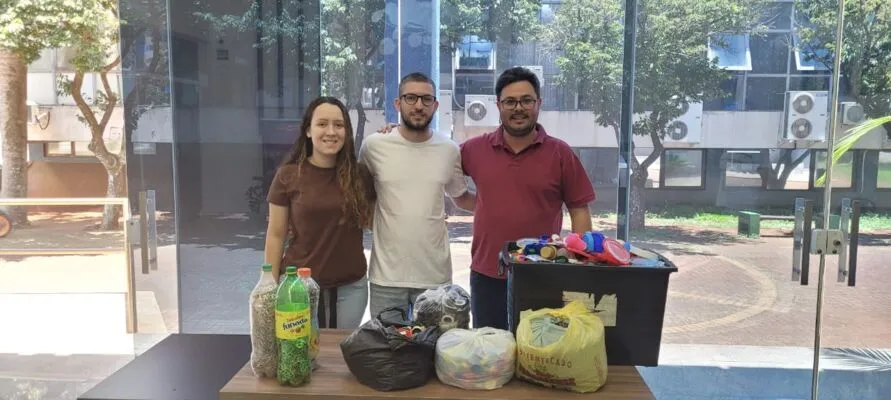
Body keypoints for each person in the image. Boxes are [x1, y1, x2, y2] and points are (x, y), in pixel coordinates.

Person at [461, 66, 596, 330]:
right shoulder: (474, 149)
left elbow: (579, 209)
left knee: (539, 354)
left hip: (543, 274)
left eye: (526, 100)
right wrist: (399, 132)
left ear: (538, 104)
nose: (518, 108)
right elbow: (436, 160)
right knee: (490, 356)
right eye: (510, 101)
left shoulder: (560, 153)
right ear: (498, 105)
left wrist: (581, 265)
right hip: (488, 275)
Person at [359, 72, 475, 318]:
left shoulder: (449, 150)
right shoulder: (374, 146)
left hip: (434, 277)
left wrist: (503, 205)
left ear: (436, 105)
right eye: (411, 98)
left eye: (426, 99)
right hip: (386, 277)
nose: (419, 105)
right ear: (397, 103)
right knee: (387, 352)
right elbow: (362, 196)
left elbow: (462, 197)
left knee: (434, 352)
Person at [264, 96, 376, 329]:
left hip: (350, 288)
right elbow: (276, 235)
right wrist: (270, 286)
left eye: (339, 125)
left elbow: (376, 223)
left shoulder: (361, 175)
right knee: (300, 355)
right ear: (308, 130)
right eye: (322, 124)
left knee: (339, 357)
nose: (331, 131)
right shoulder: (288, 176)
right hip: (298, 287)